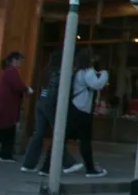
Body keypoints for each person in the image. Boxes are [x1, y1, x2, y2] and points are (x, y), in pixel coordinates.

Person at [42, 49, 108, 178]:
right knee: (85, 141)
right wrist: (105, 74)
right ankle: (90, 169)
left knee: (61, 139)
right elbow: (97, 85)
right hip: (82, 110)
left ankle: (46, 167)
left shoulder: (76, 71)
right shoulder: (88, 72)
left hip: (73, 108)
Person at [21, 51, 81, 175]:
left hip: (41, 101)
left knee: (39, 133)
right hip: (51, 103)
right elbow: (56, 90)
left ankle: (29, 164)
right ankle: (67, 163)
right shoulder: (60, 72)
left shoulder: (46, 70)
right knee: (59, 132)